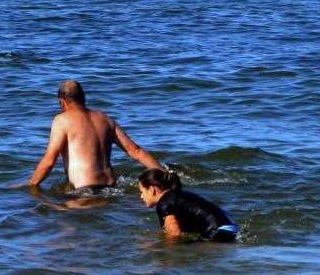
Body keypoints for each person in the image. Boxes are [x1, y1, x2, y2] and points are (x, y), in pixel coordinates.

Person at [26, 80, 163, 191]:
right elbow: (135, 151)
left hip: (85, 191)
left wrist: (31, 186)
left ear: (62, 102)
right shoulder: (105, 119)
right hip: (112, 187)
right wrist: (164, 174)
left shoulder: (62, 120)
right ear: (84, 97)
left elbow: (50, 161)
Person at [138, 168, 239, 242]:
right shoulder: (176, 195)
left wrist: (167, 254)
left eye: (142, 191)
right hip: (230, 226)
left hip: (218, 232)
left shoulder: (163, 203)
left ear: (151, 190)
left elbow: (175, 232)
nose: (141, 196)